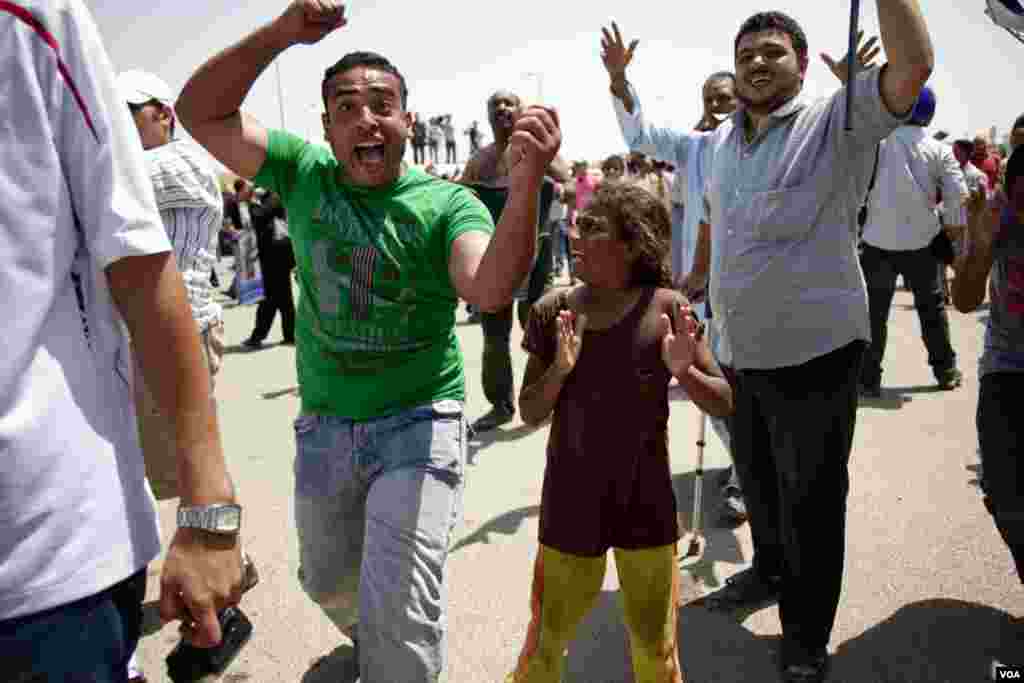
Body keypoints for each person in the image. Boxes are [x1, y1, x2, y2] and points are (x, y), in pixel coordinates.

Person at [174, 1, 562, 679]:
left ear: (408, 121)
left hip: (420, 423)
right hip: (326, 426)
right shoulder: (301, 171)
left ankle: (392, 654)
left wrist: (526, 180)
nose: (366, 119)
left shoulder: (448, 204)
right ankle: (373, 639)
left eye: (382, 104)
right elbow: (201, 112)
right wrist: (282, 33)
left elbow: (489, 288)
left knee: (404, 616)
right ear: (326, 127)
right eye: (346, 107)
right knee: (324, 577)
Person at [605, 3, 933, 680]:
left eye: (773, 52)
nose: (756, 62)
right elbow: (651, 133)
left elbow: (912, 69)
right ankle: (768, 572)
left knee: (812, 501)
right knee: (759, 485)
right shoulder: (717, 144)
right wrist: (619, 83)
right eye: (746, 52)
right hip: (740, 354)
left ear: (803, 63)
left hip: (817, 356)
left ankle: (807, 635)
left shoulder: (837, 121)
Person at [0, 1, 243, 680]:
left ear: (162, 116)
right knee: (156, 478)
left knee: (173, 478)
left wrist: (212, 512)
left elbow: (138, 254)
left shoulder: (183, 167)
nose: (127, 118)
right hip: (136, 337)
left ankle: (212, 582)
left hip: (178, 328)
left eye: (136, 108)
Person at [506, 182, 733, 683]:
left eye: (592, 226)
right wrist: (560, 371)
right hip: (571, 505)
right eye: (577, 224)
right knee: (546, 641)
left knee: (655, 648)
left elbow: (725, 399)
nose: (576, 234)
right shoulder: (552, 311)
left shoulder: (668, 309)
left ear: (634, 243)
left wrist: (685, 371)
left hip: (646, 507)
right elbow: (529, 411)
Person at [460, 88, 570, 431]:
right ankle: (500, 404)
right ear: (488, 114)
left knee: (538, 326)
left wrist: (537, 165)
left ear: (520, 110)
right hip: (495, 256)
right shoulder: (480, 161)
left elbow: (564, 179)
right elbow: (462, 198)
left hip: (537, 255)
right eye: (496, 104)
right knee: (494, 335)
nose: (503, 109)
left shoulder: (540, 150)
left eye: (509, 103)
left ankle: (549, 395)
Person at [858, 86, 966, 397]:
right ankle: (945, 371)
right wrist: (953, 238)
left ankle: (868, 379)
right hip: (923, 244)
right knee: (931, 310)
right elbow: (958, 198)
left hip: (877, 244)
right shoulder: (940, 150)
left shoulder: (875, 144)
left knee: (874, 315)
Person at [953, 146, 1024, 587]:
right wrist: (979, 246)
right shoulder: (1000, 214)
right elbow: (963, 301)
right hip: (1008, 369)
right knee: (1003, 490)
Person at [242, 189, 297, 349]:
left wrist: (250, 201)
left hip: (276, 256)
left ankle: (258, 336)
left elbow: (259, 217)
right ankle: (289, 335)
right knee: (282, 298)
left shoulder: (274, 197)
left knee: (271, 297)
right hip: (277, 255)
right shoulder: (272, 197)